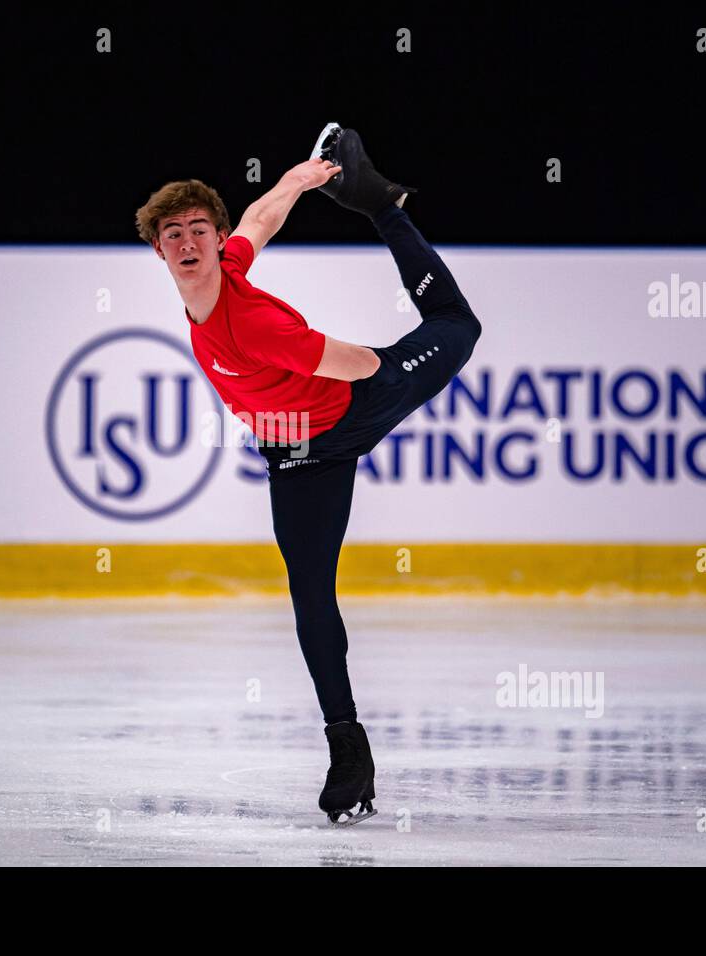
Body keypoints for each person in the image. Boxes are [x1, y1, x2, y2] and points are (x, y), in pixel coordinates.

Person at [135, 124, 483, 825]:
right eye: (174, 233)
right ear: (159, 249)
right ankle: (347, 747)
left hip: (357, 402)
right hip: (297, 451)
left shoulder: (247, 323)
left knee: (455, 326)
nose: (189, 242)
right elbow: (258, 220)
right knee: (310, 593)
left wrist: (390, 373)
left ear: (212, 236)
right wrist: (297, 180)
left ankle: (384, 206)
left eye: (200, 228)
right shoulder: (225, 271)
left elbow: (351, 365)